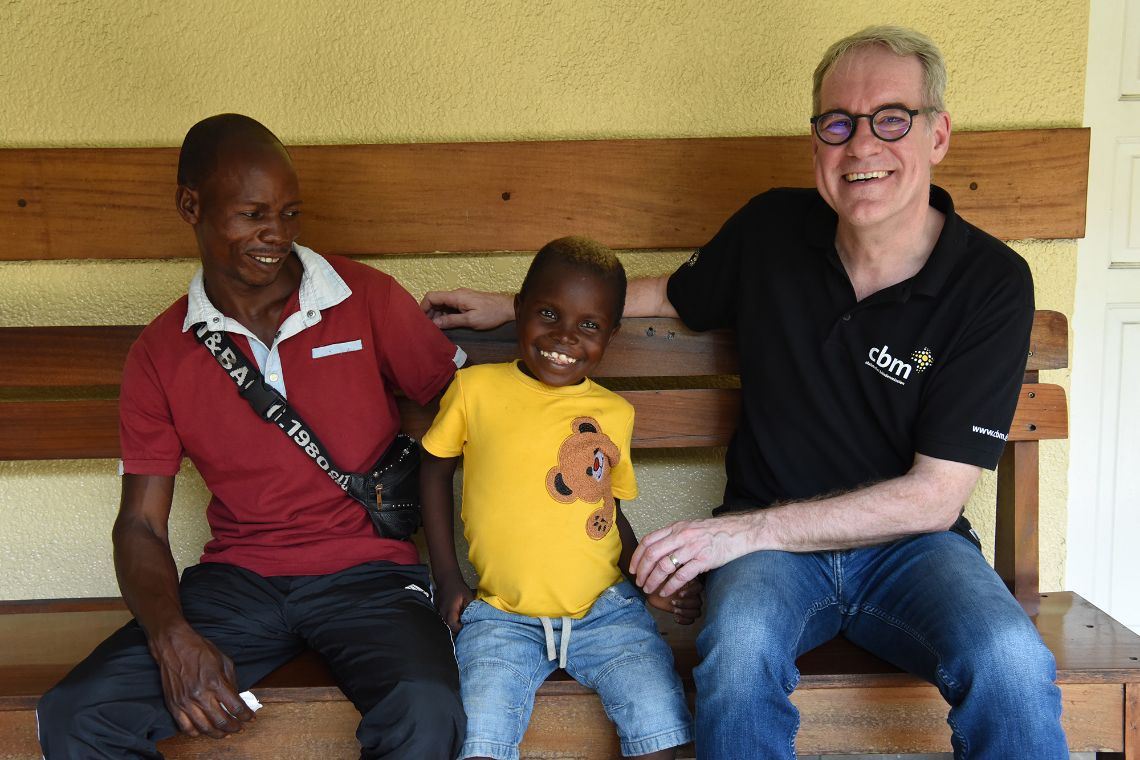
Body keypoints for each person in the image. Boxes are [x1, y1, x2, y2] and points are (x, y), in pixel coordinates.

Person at [420, 26, 1068, 760]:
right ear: (816, 139)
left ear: (938, 134)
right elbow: (664, 296)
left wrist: (736, 533)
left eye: (892, 118)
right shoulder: (771, 231)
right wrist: (514, 306)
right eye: (837, 123)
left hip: (913, 551)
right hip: (772, 561)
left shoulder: (990, 282)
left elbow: (933, 499)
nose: (861, 146)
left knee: (1013, 661)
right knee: (735, 652)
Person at [37, 113, 467, 759]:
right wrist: (172, 637)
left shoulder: (365, 298)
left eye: (290, 214)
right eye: (253, 214)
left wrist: (462, 570)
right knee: (76, 715)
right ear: (191, 206)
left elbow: (479, 416)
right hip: (239, 583)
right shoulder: (161, 352)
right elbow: (142, 527)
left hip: (369, 576)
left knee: (427, 708)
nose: (277, 235)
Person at [420, 237, 700, 760]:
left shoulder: (613, 412)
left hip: (606, 613)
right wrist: (447, 576)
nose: (564, 337)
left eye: (589, 326)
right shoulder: (474, 390)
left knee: (657, 714)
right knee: (477, 731)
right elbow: (433, 472)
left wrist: (649, 579)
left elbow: (608, 510)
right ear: (519, 305)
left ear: (611, 335)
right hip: (502, 616)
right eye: (548, 313)